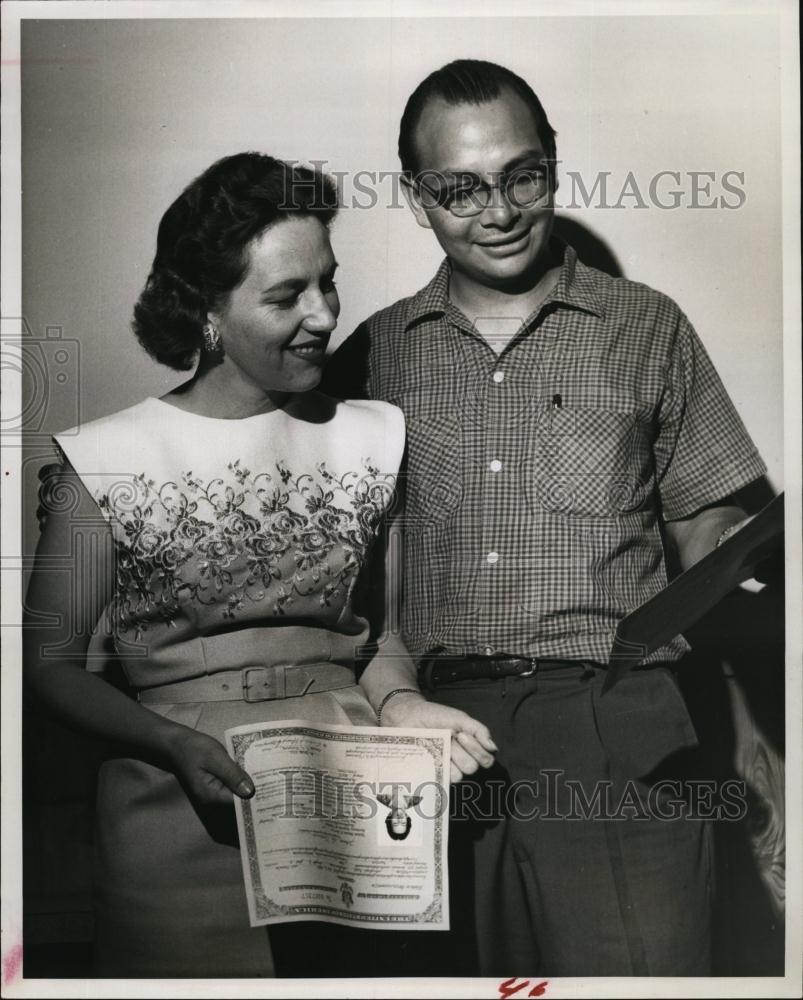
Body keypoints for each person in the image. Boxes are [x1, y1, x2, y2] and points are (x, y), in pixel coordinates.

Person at [322, 60, 771, 976]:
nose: (498, 210)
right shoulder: (369, 357)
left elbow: (704, 526)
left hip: (618, 722)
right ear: (414, 198)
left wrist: (740, 551)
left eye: (521, 176)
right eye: (459, 188)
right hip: (427, 735)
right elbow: (339, 577)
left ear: (554, 166)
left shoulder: (648, 326)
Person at [23, 151, 495, 978]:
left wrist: (408, 704)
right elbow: (50, 667)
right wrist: (169, 742)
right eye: (284, 297)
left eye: (327, 283)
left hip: (347, 794)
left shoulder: (373, 435)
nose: (322, 316)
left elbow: (376, 634)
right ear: (207, 313)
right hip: (175, 810)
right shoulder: (102, 461)